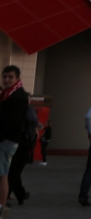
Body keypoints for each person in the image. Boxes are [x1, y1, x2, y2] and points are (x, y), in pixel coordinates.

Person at [0, 65, 28, 217]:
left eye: (10, 77)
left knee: (2, 175)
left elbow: (12, 123)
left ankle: (1, 208)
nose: (6, 80)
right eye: (4, 76)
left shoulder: (16, 96)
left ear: (17, 78)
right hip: (7, 139)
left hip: (7, 140)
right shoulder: (8, 94)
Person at [8, 94, 37, 206]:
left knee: (13, 171)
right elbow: (33, 120)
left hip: (16, 142)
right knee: (14, 171)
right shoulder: (27, 109)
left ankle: (18, 195)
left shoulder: (17, 109)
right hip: (22, 142)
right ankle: (17, 195)